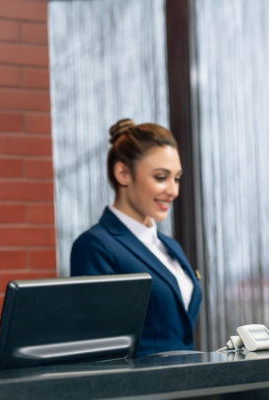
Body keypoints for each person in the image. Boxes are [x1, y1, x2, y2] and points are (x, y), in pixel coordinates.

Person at [70, 118, 202, 356]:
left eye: (177, 178)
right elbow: (99, 347)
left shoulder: (170, 247)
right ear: (123, 173)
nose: (173, 190)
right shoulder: (96, 246)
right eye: (161, 177)